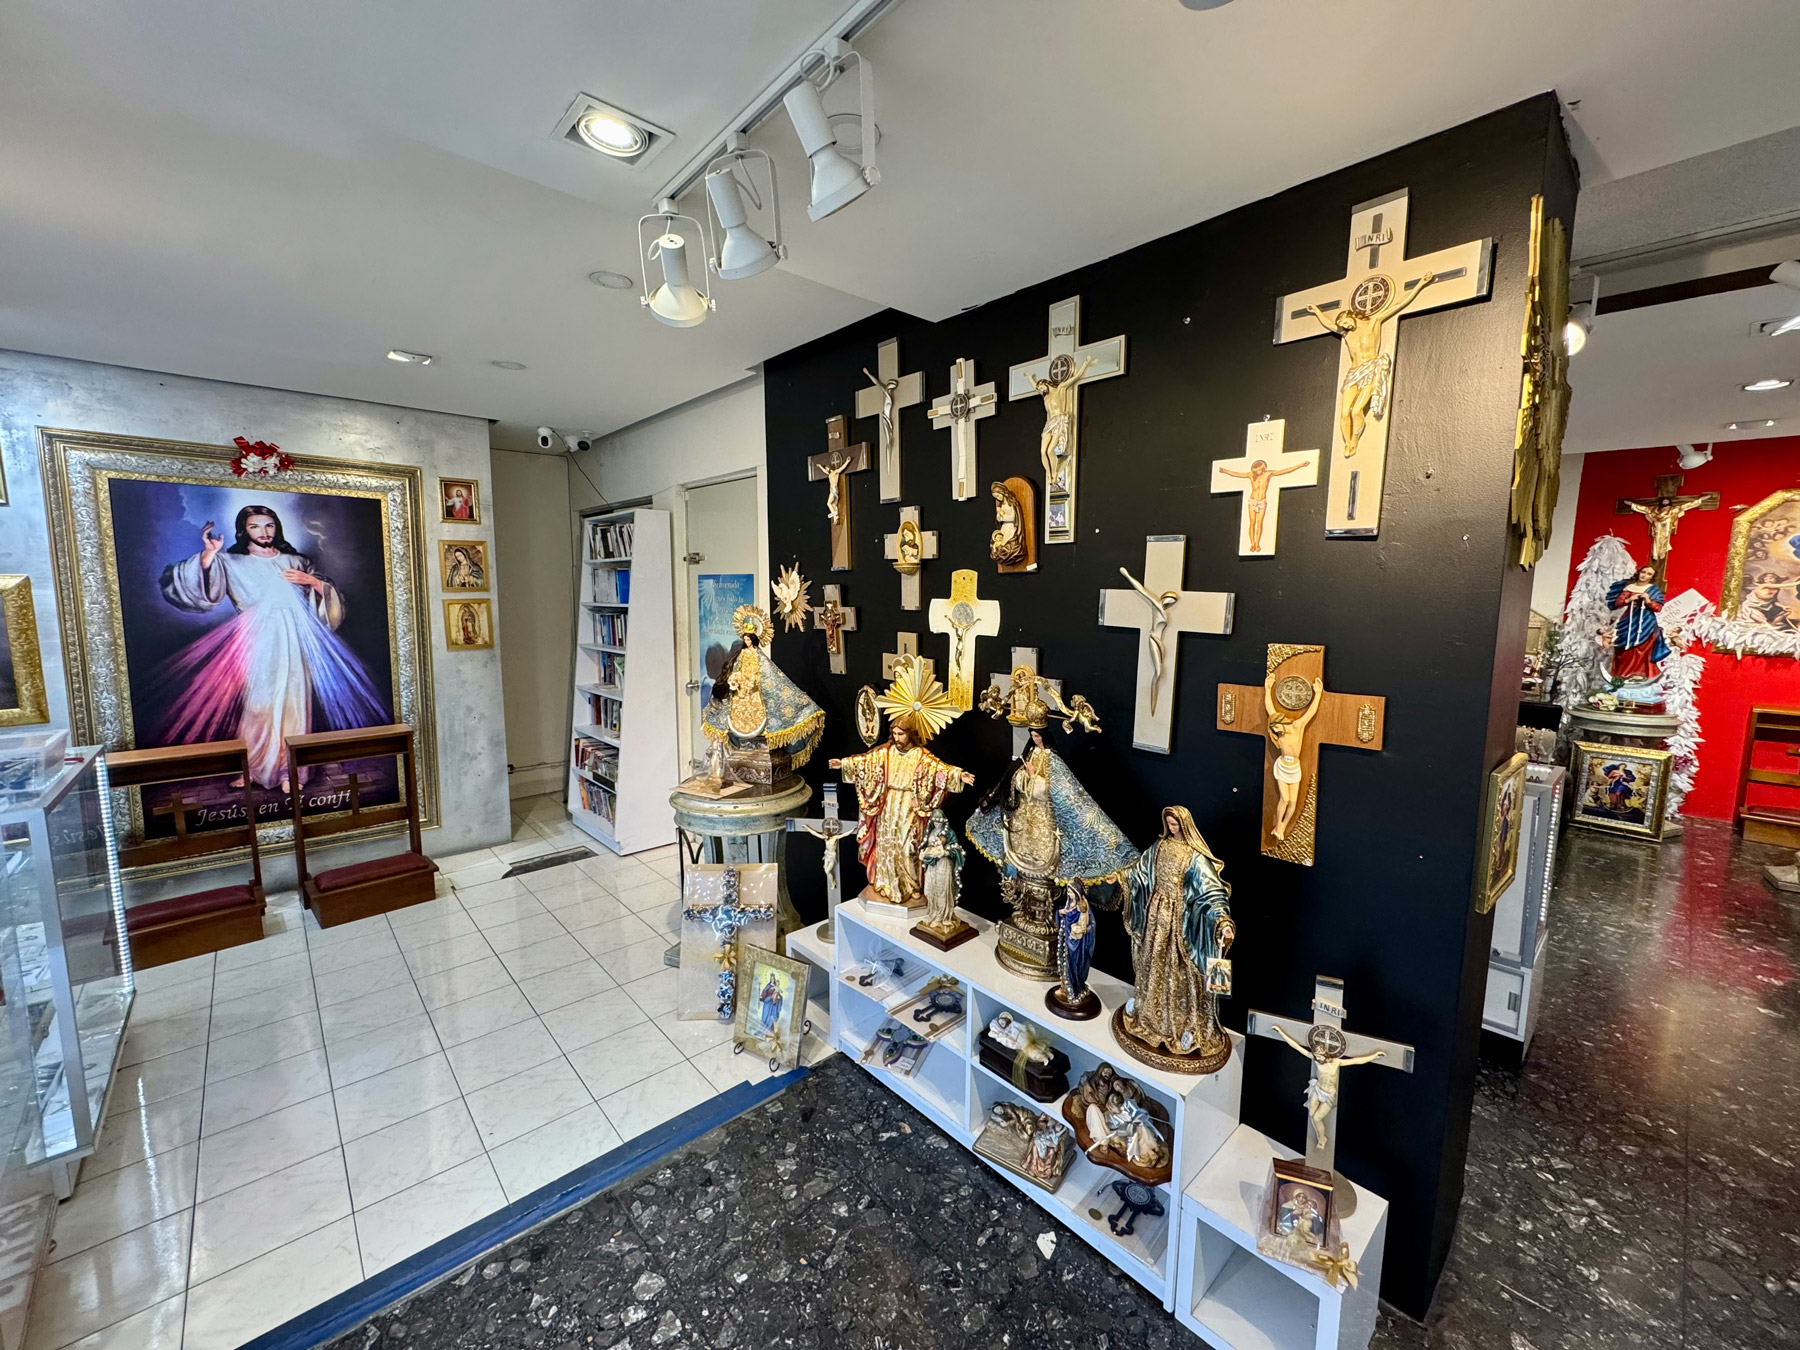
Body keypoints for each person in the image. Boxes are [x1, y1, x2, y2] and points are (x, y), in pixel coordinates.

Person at [158, 504, 386, 791]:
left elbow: (329, 604)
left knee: (294, 703)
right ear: (244, 530)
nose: (263, 532)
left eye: (269, 525)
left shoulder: (297, 561)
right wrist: (208, 555)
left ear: (276, 527)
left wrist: (313, 582)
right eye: (255, 526)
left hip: (294, 640)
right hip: (256, 638)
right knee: (258, 704)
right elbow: (197, 589)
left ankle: (290, 771)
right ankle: (253, 767)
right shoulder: (230, 561)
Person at [830, 660, 974, 908]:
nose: (897, 738)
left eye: (902, 734)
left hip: (909, 805)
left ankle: (911, 886)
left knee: (908, 847)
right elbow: (865, 762)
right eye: (895, 733)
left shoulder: (921, 756)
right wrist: (843, 764)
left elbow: (939, 770)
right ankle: (885, 883)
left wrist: (958, 775)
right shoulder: (885, 752)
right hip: (887, 805)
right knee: (887, 845)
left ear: (911, 734)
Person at [1115, 805, 1235, 1074]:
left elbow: (1211, 892)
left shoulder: (1194, 856)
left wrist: (1222, 921)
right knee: (1153, 964)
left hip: (1181, 924)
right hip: (1156, 917)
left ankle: (1182, 1025)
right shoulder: (1159, 847)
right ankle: (1149, 1015)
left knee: (1179, 971)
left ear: (1185, 825)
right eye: (1168, 824)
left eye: (1175, 824)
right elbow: (1140, 872)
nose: (1171, 828)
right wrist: (1121, 877)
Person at [1305, 271, 1439, 457]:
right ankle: (1347, 442)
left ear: (1351, 316)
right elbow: (1328, 323)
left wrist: (1420, 284)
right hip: (1353, 373)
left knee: (1356, 410)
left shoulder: (1373, 322)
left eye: (1345, 321)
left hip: (1370, 370)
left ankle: (1354, 441)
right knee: (1344, 413)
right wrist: (1317, 311)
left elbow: (1399, 304)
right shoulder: (1346, 334)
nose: (1345, 326)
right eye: (1342, 324)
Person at [1216, 457, 1307, 552]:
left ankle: (1257, 543)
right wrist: (1225, 471)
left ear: (1263, 468)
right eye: (1257, 471)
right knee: (1252, 522)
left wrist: (1300, 465)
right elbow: (1237, 474)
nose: (1259, 472)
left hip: (1262, 501)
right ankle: (1252, 543)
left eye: (1260, 470)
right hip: (1252, 501)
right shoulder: (1251, 475)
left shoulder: (1268, 474)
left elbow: (1285, 471)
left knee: (1259, 523)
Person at [1606, 565, 1670, 683]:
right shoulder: (1629, 588)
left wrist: (1648, 600)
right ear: (1639, 573)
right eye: (1643, 572)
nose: (1644, 575)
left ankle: (1641, 674)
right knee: (1624, 647)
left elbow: (1658, 608)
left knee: (1644, 649)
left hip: (1646, 623)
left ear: (1652, 577)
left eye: (1649, 574)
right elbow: (1616, 604)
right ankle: (1623, 675)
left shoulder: (1653, 589)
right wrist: (1629, 599)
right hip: (1629, 621)